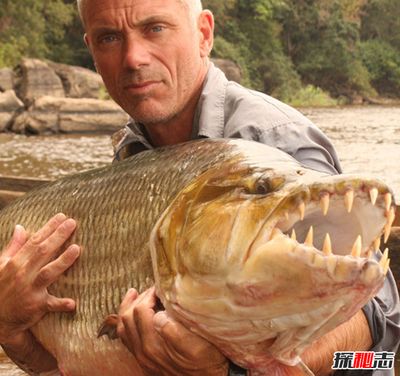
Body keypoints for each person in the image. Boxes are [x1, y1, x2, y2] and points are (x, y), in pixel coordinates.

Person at [0, 0, 399, 375]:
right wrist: (7, 324)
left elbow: (378, 336)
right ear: (91, 49)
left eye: (154, 28)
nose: (133, 58)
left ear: (204, 34)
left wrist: (231, 370)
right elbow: (62, 363)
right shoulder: (132, 152)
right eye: (109, 37)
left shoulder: (273, 140)